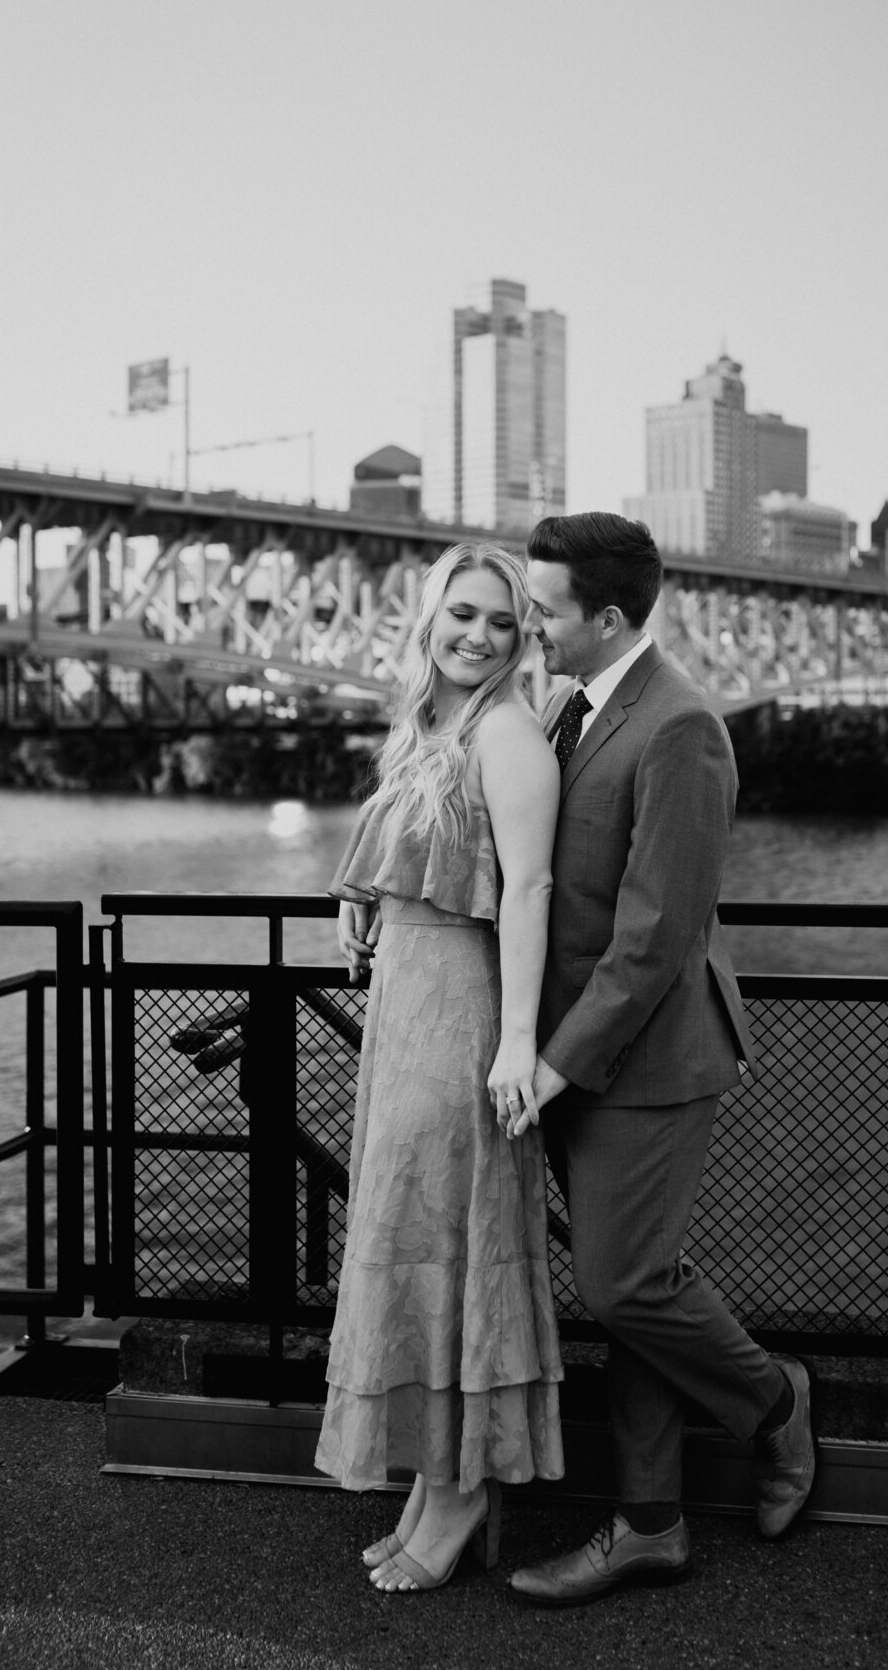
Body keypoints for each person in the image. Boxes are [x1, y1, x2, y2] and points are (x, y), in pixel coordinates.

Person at [507, 512, 816, 1608]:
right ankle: (650, 1523)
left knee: (622, 1281)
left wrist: (554, 1064)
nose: (525, 625)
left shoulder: (682, 728)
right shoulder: (566, 707)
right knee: (633, 1291)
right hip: (571, 1053)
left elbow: (657, 934)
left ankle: (777, 1406)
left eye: (542, 610)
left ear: (605, 617)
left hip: (646, 1058)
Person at [316, 541, 564, 1594]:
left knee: (450, 1237)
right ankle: (439, 1479)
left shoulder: (507, 732)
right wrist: (361, 890)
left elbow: (530, 887)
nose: (478, 636)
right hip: (406, 1009)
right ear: (430, 620)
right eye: (462, 615)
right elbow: (415, 845)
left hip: (461, 1016)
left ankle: (465, 1494)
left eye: (501, 623)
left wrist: (516, 1041)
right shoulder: (429, 726)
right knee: (407, 1232)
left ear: (522, 638)